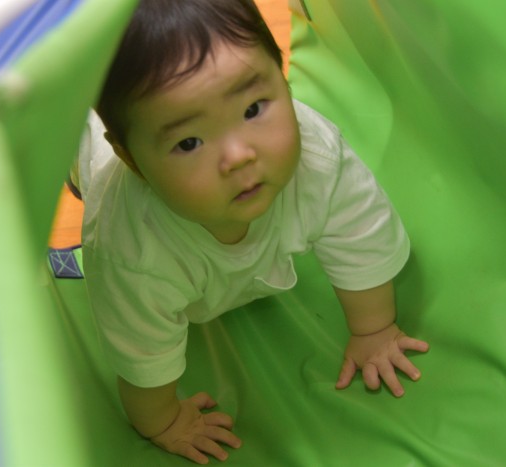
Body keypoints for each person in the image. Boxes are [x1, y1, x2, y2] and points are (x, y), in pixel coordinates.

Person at [73, 0, 429, 463]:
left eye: (253, 108)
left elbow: (362, 235)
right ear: (131, 159)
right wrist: (164, 421)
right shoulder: (131, 251)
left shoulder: (316, 157)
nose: (240, 155)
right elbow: (138, 352)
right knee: (77, 136)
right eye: (189, 142)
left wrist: (374, 330)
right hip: (85, 144)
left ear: (282, 75)